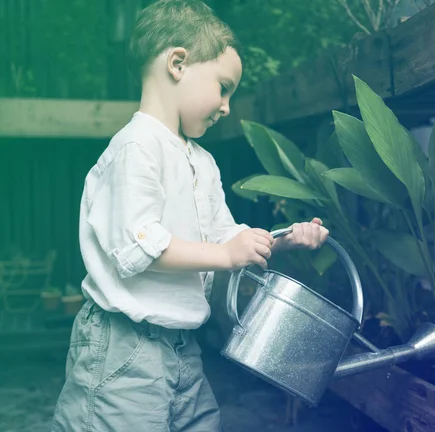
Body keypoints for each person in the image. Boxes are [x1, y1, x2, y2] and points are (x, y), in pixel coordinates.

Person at [51, 1, 328, 430]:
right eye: (223, 87)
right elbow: (139, 247)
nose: (227, 107)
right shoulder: (135, 147)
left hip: (183, 350)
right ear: (178, 63)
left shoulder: (202, 161)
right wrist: (227, 255)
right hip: (124, 346)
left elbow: (224, 238)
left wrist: (282, 237)